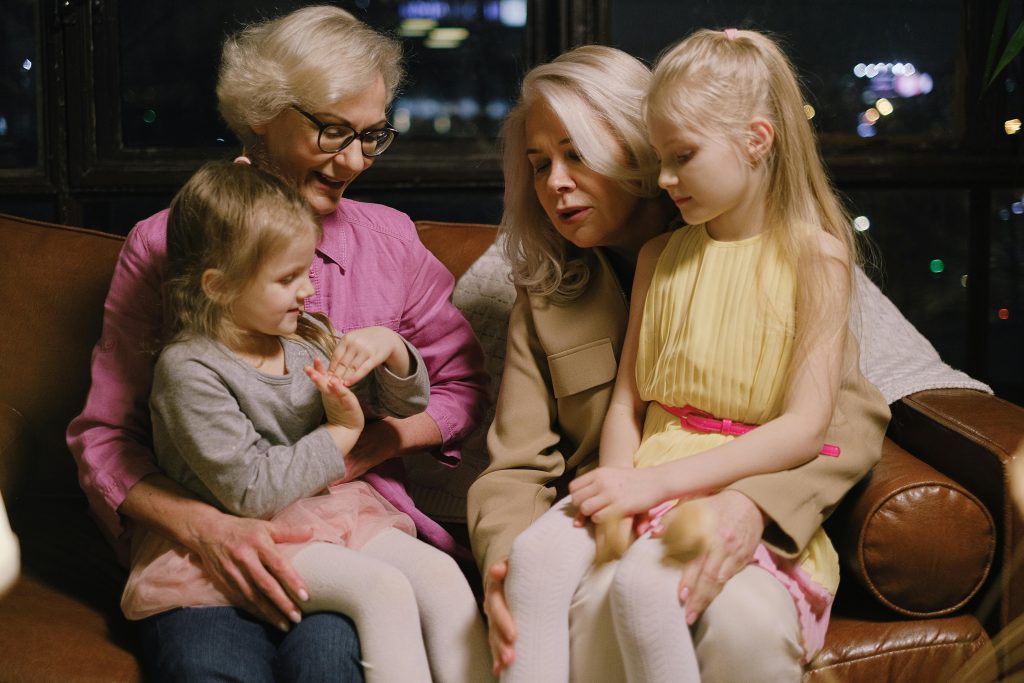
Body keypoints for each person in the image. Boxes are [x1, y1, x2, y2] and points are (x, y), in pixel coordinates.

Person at [66, 6, 487, 680]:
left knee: (330, 661)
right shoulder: (165, 243)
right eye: (332, 130)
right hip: (205, 534)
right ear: (263, 113)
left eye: (372, 134)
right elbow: (105, 436)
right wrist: (205, 526)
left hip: (348, 524)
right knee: (207, 664)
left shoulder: (390, 241)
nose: (354, 159)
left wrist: (374, 441)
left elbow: (462, 387)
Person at [466, 43, 891, 681]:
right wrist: (505, 568)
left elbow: (843, 421)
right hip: (613, 511)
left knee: (723, 616)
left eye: (577, 154)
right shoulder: (548, 294)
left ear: (639, 151)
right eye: (538, 165)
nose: (555, 183)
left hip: (716, 499)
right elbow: (515, 465)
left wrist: (752, 505)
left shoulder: (750, 237)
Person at [118, 160, 493, 683]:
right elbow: (250, 491)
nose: (308, 291)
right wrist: (340, 434)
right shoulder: (189, 370)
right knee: (381, 590)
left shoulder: (303, 335)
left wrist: (394, 352)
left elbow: (400, 407)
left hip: (329, 515)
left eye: (306, 273)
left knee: (440, 576)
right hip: (245, 531)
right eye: (288, 278)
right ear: (219, 286)